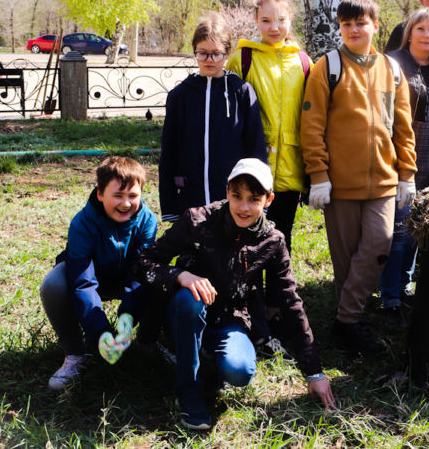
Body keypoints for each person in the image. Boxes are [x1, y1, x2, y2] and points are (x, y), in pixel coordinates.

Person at [136, 158, 336, 430]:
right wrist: (179, 275)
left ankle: (201, 354)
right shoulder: (197, 220)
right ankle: (189, 394)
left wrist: (314, 372)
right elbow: (144, 262)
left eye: (254, 199)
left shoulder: (273, 241)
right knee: (191, 298)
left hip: (229, 318)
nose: (243, 207)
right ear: (227, 190)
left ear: (268, 200)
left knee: (240, 372)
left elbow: (291, 300)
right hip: (185, 310)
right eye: (237, 196)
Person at [300, 0, 417, 354]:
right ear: (340, 26)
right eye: (347, 24)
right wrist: (318, 174)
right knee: (346, 256)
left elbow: (403, 126)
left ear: (375, 26)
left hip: (383, 181)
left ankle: (345, 320)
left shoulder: (392, 69)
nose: (353, 29)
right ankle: (350, 323)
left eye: (360, 23)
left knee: (379, 244)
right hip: (340, 184)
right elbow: (312, 124)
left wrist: (406, 173)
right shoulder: (328, 66)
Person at [226, 0, 311, 326]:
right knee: (247, 240)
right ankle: (248, 307)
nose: (274, 27)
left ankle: (276, 309)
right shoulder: (242, 58)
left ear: (290, 20)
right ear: (256, 21)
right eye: (265, 20)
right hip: (253, 170)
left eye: (280, 19)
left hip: (290, 170)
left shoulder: (303, 62)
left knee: (280, 240)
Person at [40, 156, 158, 390]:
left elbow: (140, 271)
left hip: (128, 277)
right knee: (53, 285)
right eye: (118, 195)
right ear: (100, 194)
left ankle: (146, 342)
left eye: (133, 196)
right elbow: (82, 282)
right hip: (92, 279)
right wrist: (100, 332)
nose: (126, 204)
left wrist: (126, 319)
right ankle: (75, 353)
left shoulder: (148, 221)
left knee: (159, 277)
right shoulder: (82, 223)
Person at [159, 13, 268, 224]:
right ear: (194, 52)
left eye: (216, 54)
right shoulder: (180, 96)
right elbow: (169, 154)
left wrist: (257, 200)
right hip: (190, 197)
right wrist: (170, 205)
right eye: (203, 53)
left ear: (228, 53)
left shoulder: (241, 92)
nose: (209, 60)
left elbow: (255, 149)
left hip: (234, 201)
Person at [380, 8, 429, 325]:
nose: (426, 35)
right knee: (398, 232)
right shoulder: (393, 64)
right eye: (420, 28)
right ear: (409, 32)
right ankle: (389, 296)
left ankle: (404, 284)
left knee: (416, 230)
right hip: (398, 160)